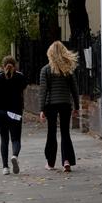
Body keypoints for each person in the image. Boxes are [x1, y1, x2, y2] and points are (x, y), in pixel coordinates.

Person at [39, 41, 80, 172]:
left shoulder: (45, 70)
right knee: (65, 132)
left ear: (50, 53)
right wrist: (77, 106)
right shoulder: (68, 69)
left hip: (51, 104)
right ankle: (66, 160)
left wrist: (42, 109)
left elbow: (43, 91)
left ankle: (50, 163)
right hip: (65, 104)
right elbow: (74, 89)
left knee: (51, 133)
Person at [0, 56, 27, 175]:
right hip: (15, 113)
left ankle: (5, 167)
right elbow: (24, 87)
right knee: (15, 139)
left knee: (4, 140)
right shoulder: (20, 77)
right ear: (15, 65)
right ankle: (14, 156)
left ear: (2, 65)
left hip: (0, 113)